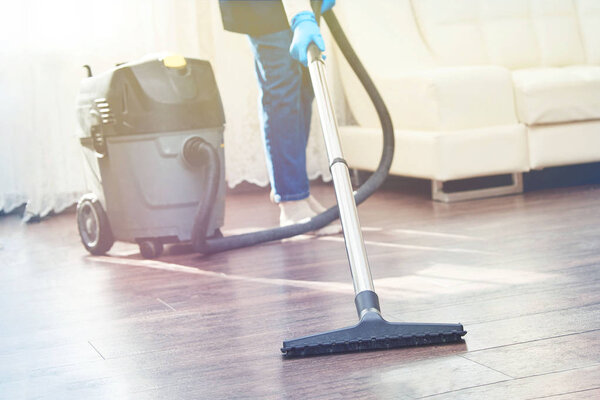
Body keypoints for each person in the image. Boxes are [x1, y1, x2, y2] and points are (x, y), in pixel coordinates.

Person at [219, 0, 340, 234]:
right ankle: (291, 203)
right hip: (263, 7)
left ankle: (299, 193)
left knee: (306, 87)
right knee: (281, 91)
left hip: (300, 5)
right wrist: (301, 17)